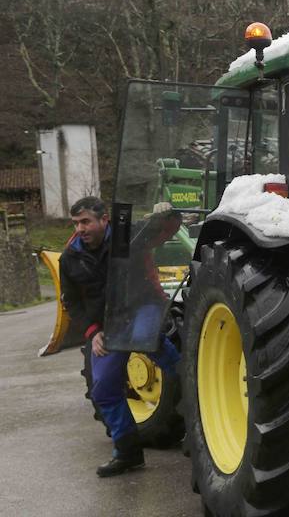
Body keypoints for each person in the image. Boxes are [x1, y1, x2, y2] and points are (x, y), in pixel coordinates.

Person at [59, 196, 181, 477]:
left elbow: (165, 229)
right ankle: (128, 452)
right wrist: (93, 333)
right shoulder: (70, 258)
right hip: (107, 326)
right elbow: (72, 303)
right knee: (102, 388)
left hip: (143, 307)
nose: (80, 229)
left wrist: (167, 214)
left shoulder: (129, 236)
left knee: (143, 338)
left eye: (86, 221)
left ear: (104, 220)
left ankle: (189, 376)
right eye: (76, 223)